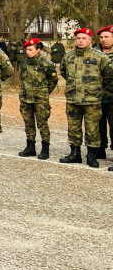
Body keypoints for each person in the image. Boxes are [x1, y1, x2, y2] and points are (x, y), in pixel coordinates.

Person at [58, 28, 113, 168]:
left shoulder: (100, 57)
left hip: (92, 100)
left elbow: (108, 77)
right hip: (73, 99)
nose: (80, 41)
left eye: (84, 38)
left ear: (90, 40)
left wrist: (95, 89)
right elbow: (64, 72)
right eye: (78, 38)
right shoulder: (68, 56)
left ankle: (91, 155)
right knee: (74, 127)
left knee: (92, 128)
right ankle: (75, 153)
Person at [17, 38, 57, 160]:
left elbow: (53, 80)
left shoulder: (46, 63)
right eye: (26, 50)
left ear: (38, 50)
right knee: (28, 123)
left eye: (31, 49)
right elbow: (22, 79)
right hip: (26, 98)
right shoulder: (23, 63)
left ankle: (45, 149)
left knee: (42, 124)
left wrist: (44, 92)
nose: (28, 52)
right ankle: (30, 147)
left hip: (40, 99)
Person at [97, 25, 113, 159]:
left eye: (106, 37)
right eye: (101, 37)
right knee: (97, 125)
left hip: (112, 97)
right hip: (96, 97)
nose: (103, 40)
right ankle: (100, 149)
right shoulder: (93, 53)